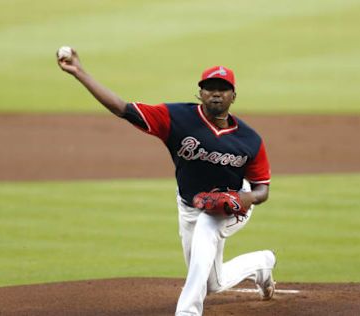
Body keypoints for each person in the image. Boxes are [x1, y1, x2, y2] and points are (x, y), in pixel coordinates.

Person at [57, 48, 276, 316]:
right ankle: (261, 263)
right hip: (189, 205)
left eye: (223, 88)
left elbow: (262, 188)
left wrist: (247, 198)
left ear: (233, 95)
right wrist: (80, 73)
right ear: (200, 93)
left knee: (208, 228)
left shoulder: (249, 140)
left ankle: (187, 312)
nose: (216, 93)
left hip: (232, 204)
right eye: (209, 88)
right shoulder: (176, 118)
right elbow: (122, 108)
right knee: (211, 282)